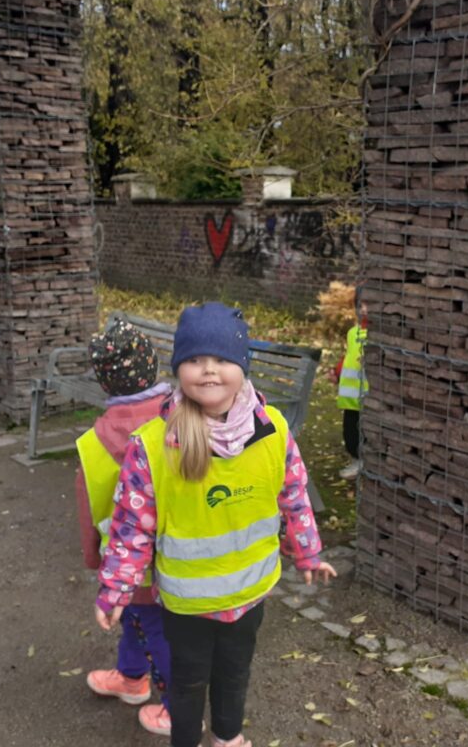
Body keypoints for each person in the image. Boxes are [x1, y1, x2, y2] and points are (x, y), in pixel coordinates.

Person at [95, 302, 337, 747]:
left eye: (222, 358)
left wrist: (307, 552)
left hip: (249, 594)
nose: (208, 369)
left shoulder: (273, 430)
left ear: (242, 366)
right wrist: (116, 589)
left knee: (234, 673)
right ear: (178, 369)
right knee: (187, 685)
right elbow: (131, 529)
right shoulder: (153, 446)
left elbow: (294, 495)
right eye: (194, 359)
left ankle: (228, 738)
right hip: (188, 606)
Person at [76, 320, 175, 737]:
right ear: (153, 366)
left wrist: (95, 559)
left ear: (104, 382)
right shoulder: (183, 419)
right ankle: (132, 677)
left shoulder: (92, 443)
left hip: (125, 561)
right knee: (143, 621)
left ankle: (178, 708)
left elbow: (89, 508)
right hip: (179, 555)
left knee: (149, 623)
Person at [330, 291, 367, 480]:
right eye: (360, 305)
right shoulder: (353, 333)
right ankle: (355, 460)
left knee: (365, 433)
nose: (364, 309)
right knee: (350, 433)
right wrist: (337, 371)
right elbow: (348, 357)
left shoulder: (378, 336)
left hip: (367, 397)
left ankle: (363, 462)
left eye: (368, 305)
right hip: (350, 397)